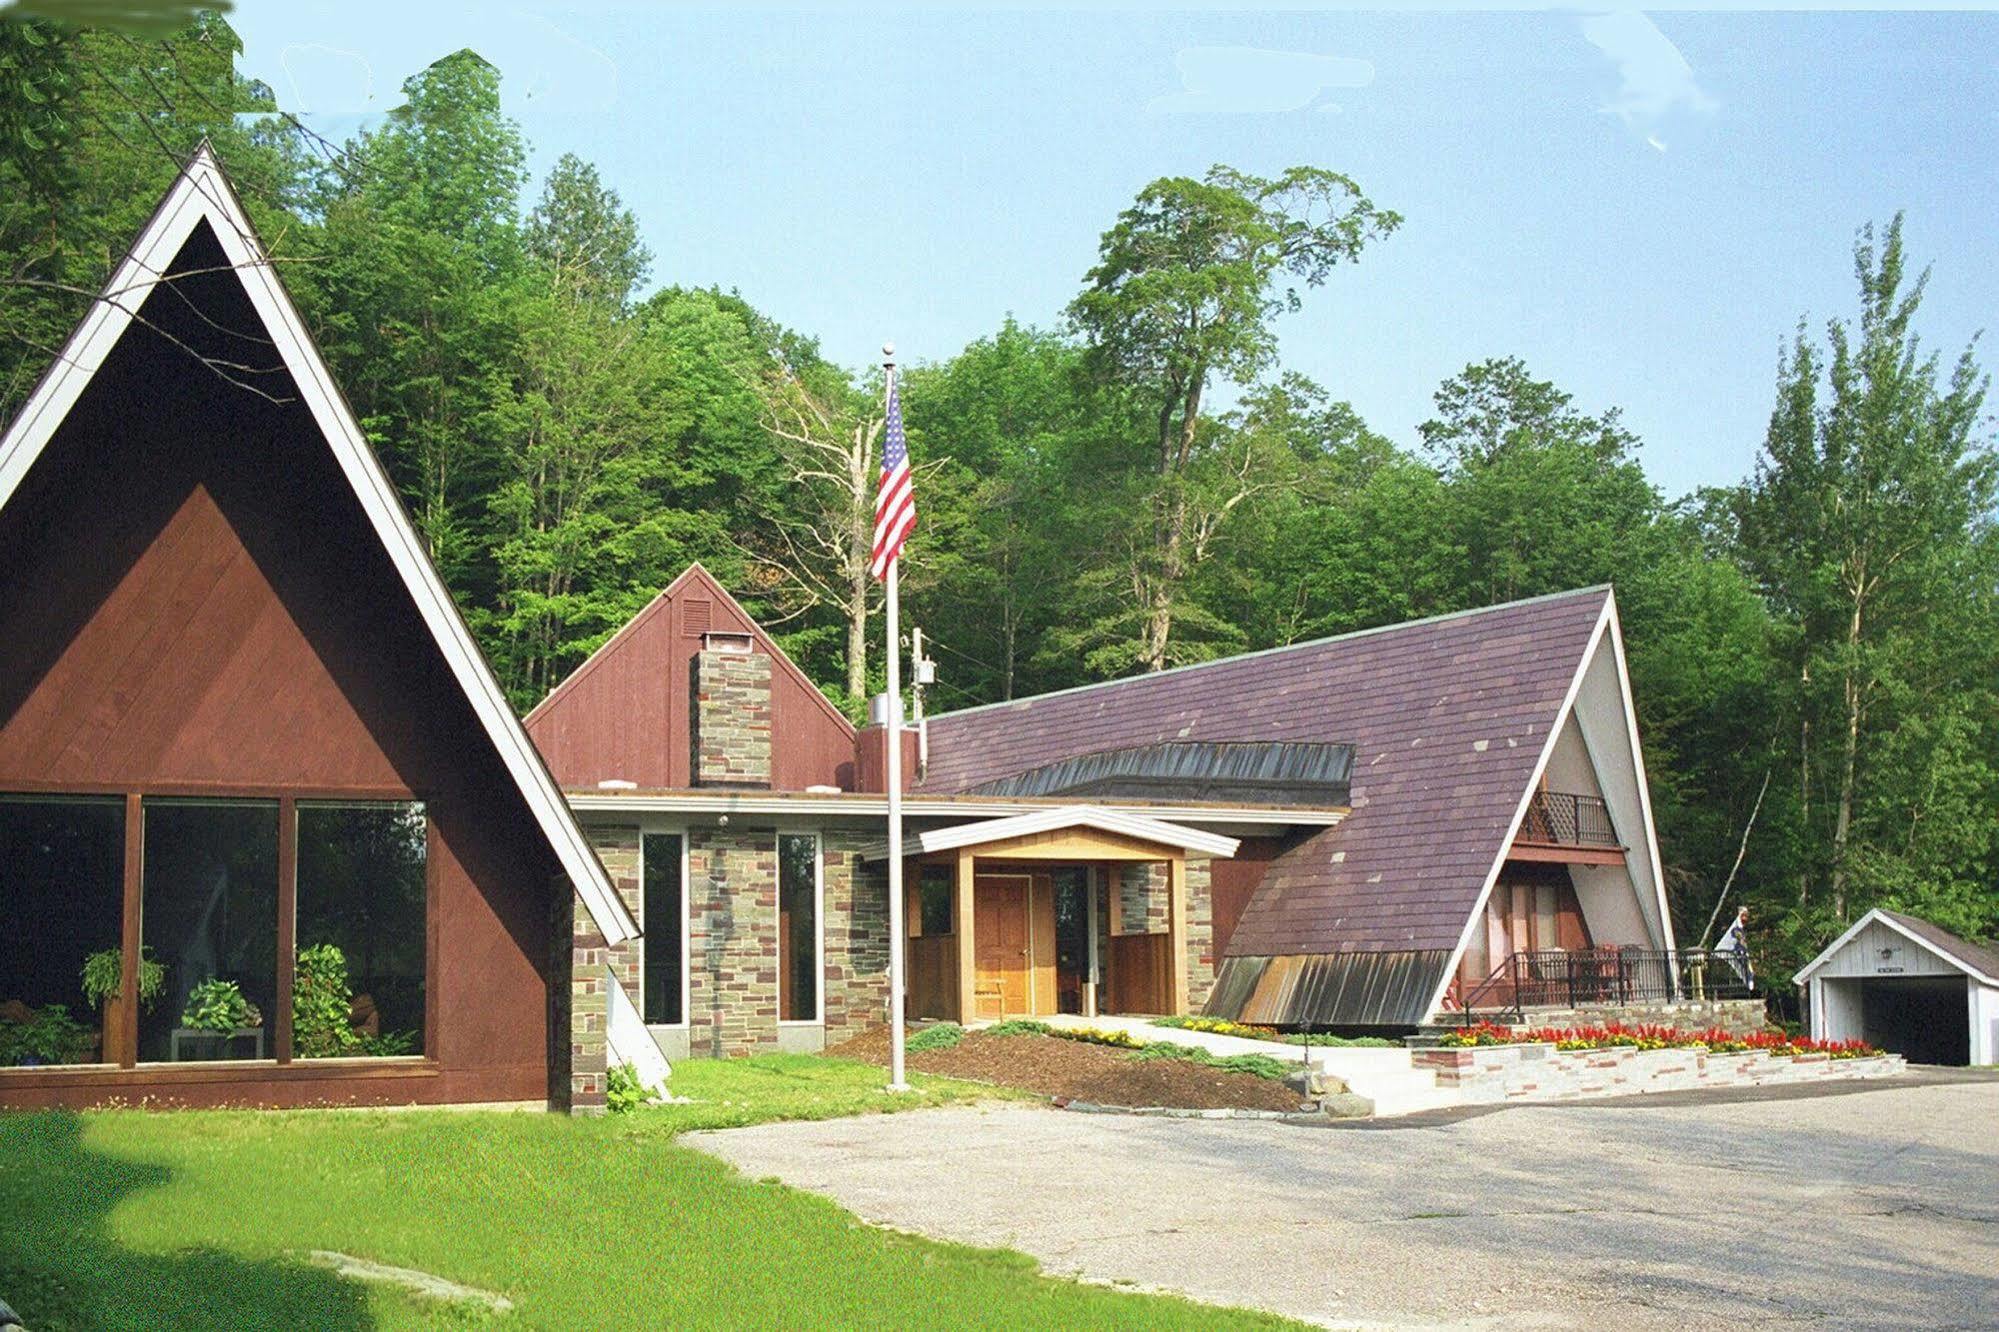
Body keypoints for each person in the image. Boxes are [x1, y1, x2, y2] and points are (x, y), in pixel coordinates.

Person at [1715, 905, 1755, 991]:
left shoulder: (1740, 929)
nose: (1745, 918)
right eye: (1743, 916)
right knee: (1746, 970)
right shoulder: (1736, 929)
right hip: (1738, 953)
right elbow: (1739, 941)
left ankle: (1748, 985)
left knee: (1749, 971)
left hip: (1742, 953)